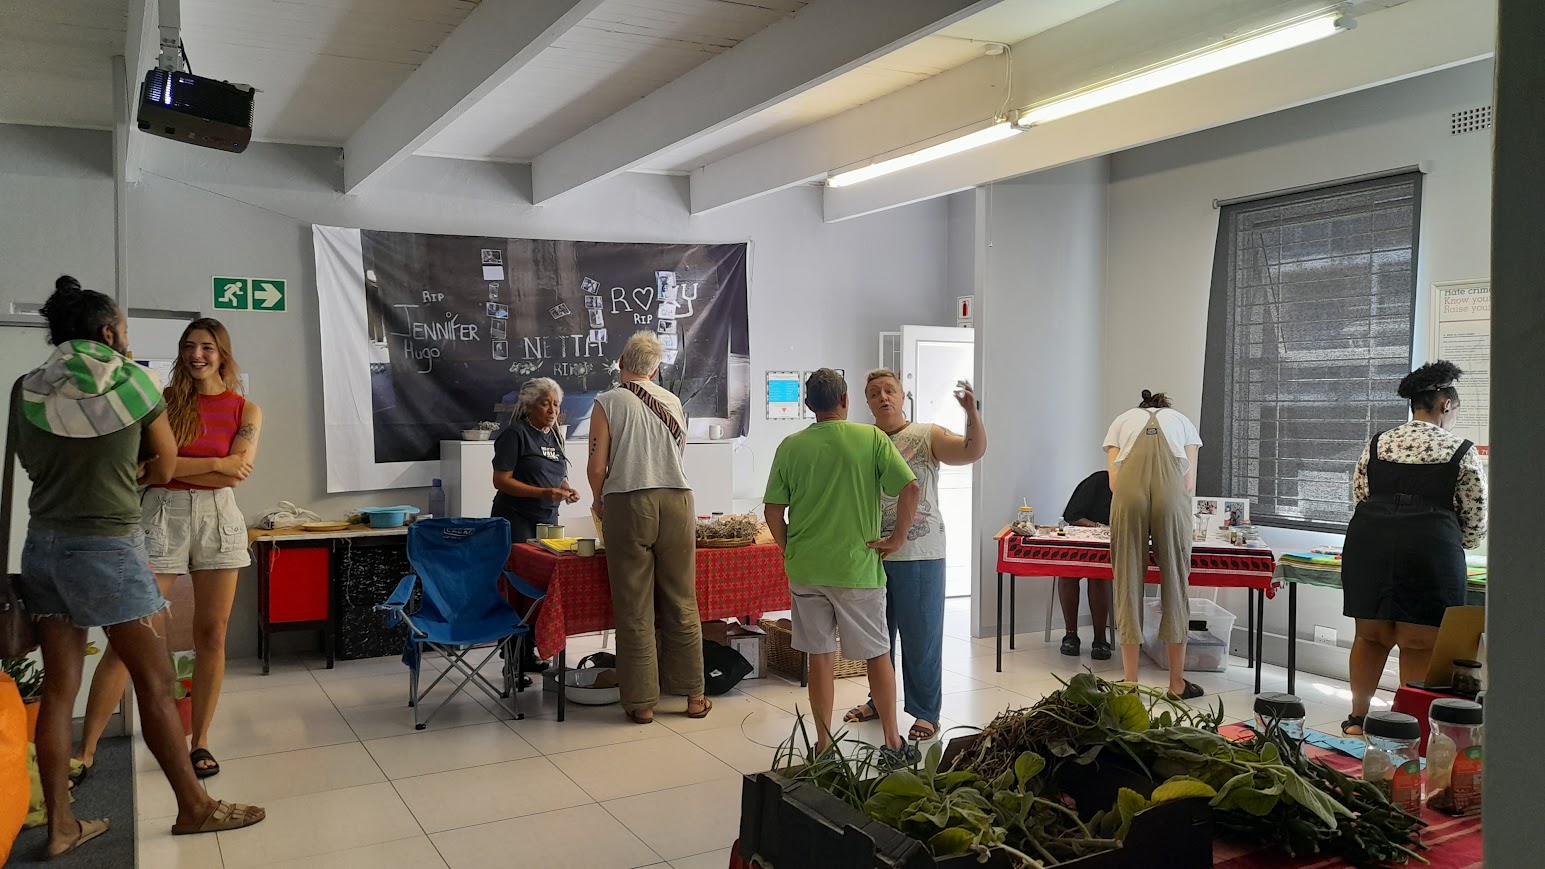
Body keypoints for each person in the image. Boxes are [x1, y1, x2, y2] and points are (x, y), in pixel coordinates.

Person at [13, 277, 262, 859]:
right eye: (123, 330)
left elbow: (27, 460)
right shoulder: (134, 383)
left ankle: (61, 826)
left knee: (58, 690)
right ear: (107, 332)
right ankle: (193, 807)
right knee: (155, 680)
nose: (126, 339)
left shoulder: (27, 387)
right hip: (108, 545)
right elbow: (165, 465)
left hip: (43, 545)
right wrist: (141, 472)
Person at [74, 318, 260, 780]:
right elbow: (151, 470)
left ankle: (200, 742)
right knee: (131, 634)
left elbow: (239, 470)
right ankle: (86, 749)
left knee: (212, 635)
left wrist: (187, 464)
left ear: (222, 353)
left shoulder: (246, 409)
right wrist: (216, 461)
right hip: (161, 515)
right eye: (189, 346)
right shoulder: (162, 401)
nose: (197, 355)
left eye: (207, 347)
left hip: (219, 518)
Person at [765, 368, 921, 767]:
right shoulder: (871, 439)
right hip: (858, 568)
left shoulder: (791, 446)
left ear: (808, 405)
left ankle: (822, 747)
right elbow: (910, 487)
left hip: (807, 570)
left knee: (819, 656)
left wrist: (790, 549)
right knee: (877, 654)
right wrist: (897, 539)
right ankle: (892, 743)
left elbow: (773, 511)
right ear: (846, 399)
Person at [1339, 361, 1487, 735]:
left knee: (1370, 636)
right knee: (1419, 642)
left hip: (1370, 541)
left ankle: (1357, 718)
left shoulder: (1378, 443)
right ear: (1446, 406)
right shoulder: (1460, 449)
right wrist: (1463, 542)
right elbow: (1475, 514)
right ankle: (1407, 725)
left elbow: (1360, 495)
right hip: (1430, 546)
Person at [842, 369, 987, 743]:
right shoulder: (864, 439)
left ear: (903, 395)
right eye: (875, 393)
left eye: (890, 390)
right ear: (866, 402)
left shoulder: (926, 435)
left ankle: (926, 712)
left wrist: (971, 413)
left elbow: (971, 451)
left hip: (920, 552)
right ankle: (878, 701)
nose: (883, 397)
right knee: (877, 638)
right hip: (873, 554)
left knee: (921, 637)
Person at [587, 332, 709, 723]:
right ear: (655, 370)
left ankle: (642, 704)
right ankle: (694, 695)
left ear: (622, 361)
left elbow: (596, 467)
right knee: (682, 600)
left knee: (634, 604)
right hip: (679, 501)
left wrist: (597, 500)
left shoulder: (607, 402)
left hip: (629, 501)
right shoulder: (672, 401)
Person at [1103, 389, 1204, 699]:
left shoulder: (1121, 420)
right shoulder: (1183, 422)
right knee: (1175, 580)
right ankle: (1176, 684)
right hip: (1171, 494)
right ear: (1164, 407)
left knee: (1127, 581)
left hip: (1128, 492)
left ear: (1141, 406)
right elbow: (1188, 483)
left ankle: (1130, 683)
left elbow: (1113, 482)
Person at [492, 377, 580, 543]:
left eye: (556, 404)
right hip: (517, 519)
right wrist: (543, 493)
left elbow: (557, 474)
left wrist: (566, 490)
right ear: (529, 405)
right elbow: (501, 481)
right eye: (545, 404)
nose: (552, 410)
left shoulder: (556, 436)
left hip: (548, 518)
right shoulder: (515, 434)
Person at [1055, 471, 1114, 660]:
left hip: (1109, 545)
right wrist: (1098, 527)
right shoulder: (1099, 480)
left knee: (1099, 576)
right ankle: (1070, 635)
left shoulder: (1137, 486)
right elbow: (1072, 515)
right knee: (1068, 574)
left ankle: (1100, 639)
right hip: (1079, 540)